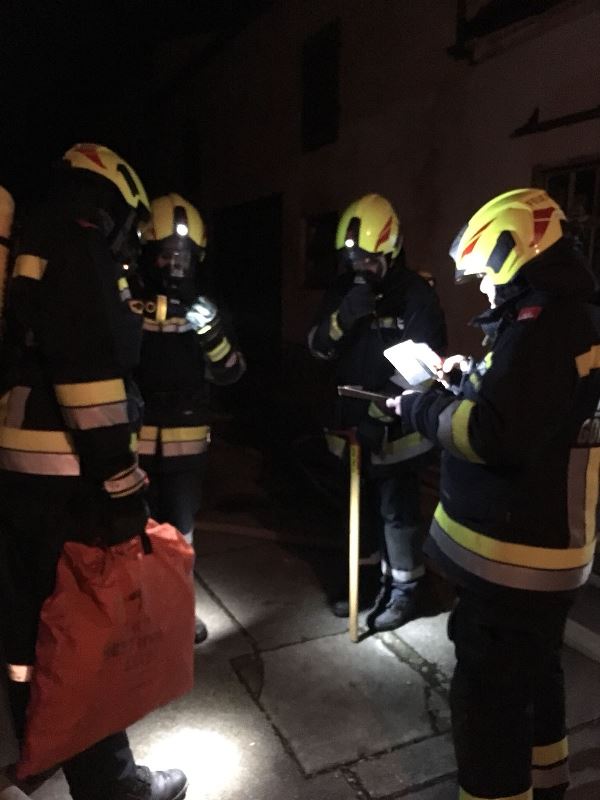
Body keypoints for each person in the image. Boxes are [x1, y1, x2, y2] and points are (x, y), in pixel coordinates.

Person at [386, 188, 600, 800]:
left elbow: (491, 434)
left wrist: (422, 406)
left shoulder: (543, 327)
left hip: (514, 558)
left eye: (485, 275)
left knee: (489, 710)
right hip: (550, 550)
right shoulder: (569, 318)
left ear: (516, 252)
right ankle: (548, 785)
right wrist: (467, 377)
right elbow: (529, 406)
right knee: (537, 678)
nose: (482, 289)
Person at [0, 144, 187, 800]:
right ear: (112, 196)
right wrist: (123, 487)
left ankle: (38, 743)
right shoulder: (79, 241)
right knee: (85, 634)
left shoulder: (29, 239)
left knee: (28, 633)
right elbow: (91, 380)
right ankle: (113, 785)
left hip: (16, 476)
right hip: (69, 481)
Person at [308, 193, 447, 630]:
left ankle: (405, 591)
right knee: (357, 514)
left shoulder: (415, 296)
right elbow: (318, 349)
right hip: (349, 429)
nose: (361, 268)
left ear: (392, 251)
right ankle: (364, 584)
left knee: (397, 516)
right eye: (354, 260)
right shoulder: (343, 292)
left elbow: (422, 370)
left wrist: (377, 417)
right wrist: (343, 317)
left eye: (370, 260)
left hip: (397, 433)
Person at [134, 193, 246, 645]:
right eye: (166, 254)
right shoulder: (129, 305)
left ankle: (178, 614)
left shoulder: (207, 309)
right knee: (134, 534)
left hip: (187, 445)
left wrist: (211, 331)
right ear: (149, 253)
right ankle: (137, 617)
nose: (174, 264)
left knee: (180, 536)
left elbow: (232, 371)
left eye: (183, 255)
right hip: (136, 443)